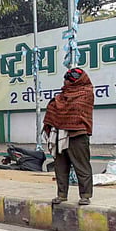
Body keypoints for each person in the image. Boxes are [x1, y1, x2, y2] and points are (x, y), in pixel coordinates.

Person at [42, 67, 94, 205]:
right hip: (59, 134)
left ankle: (85, 195)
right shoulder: (61, 96)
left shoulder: (86, 93)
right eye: (66, 80)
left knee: (82, 167)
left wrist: (61, 111)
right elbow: (53, 109)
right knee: (60, 166)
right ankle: (61, 194)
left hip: (78, 134)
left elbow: (76, 109)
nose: (66, 83)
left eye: (70, 80)